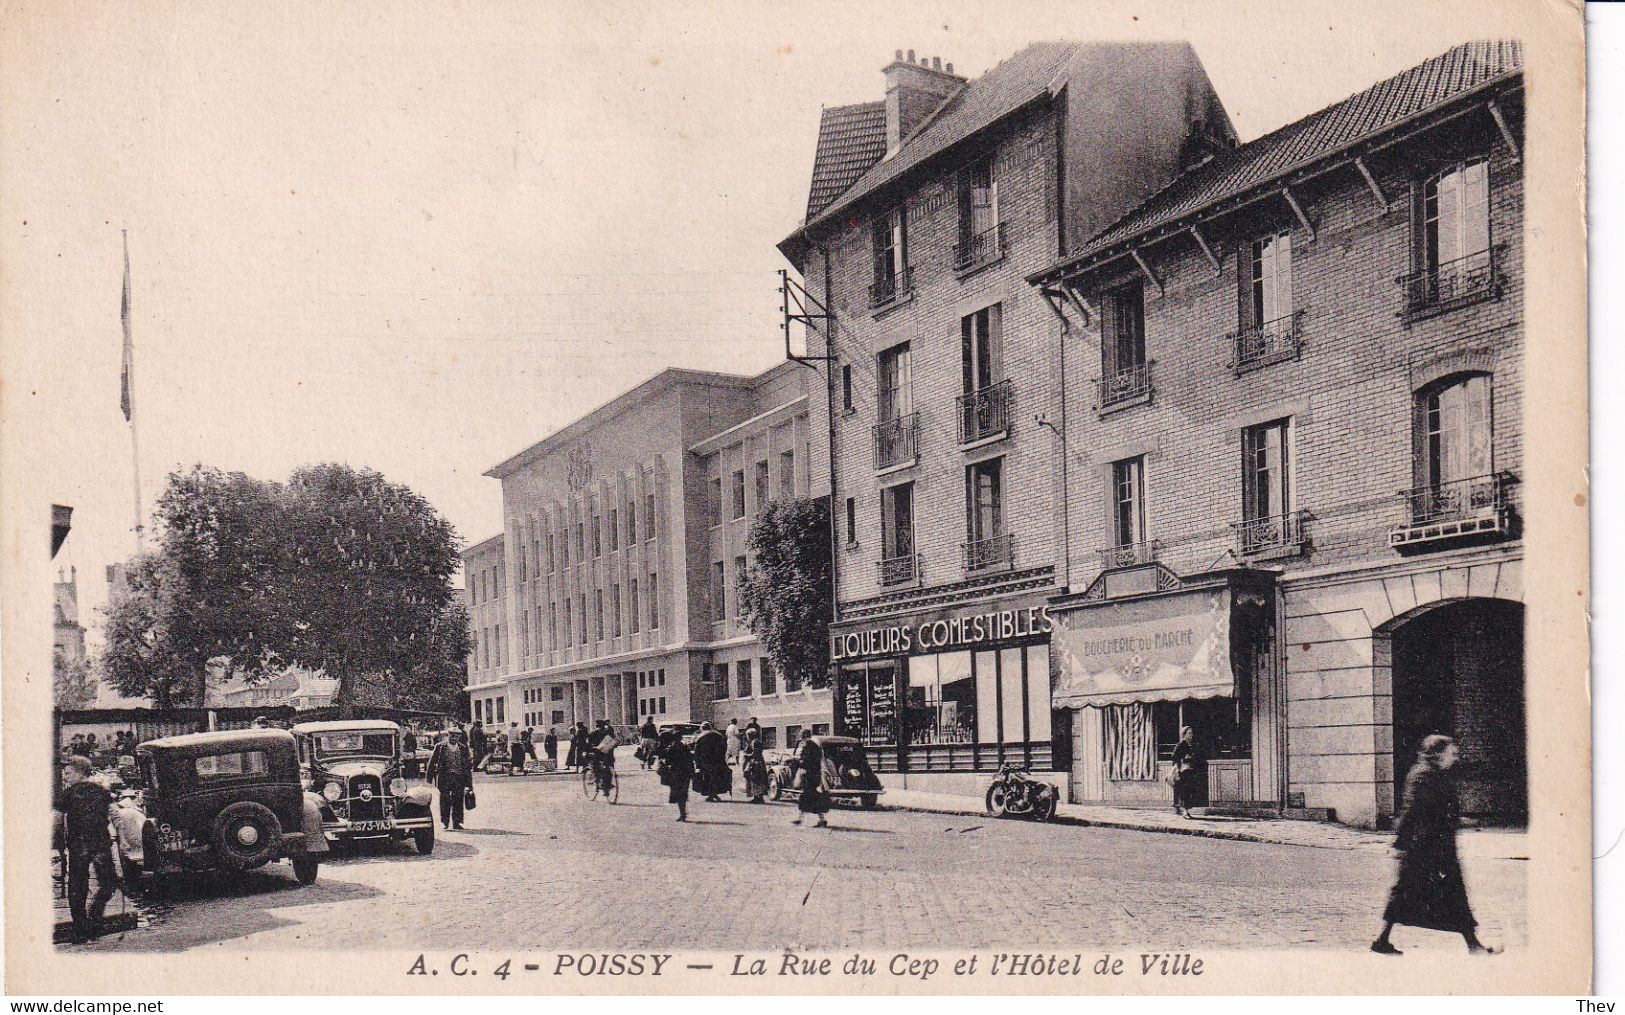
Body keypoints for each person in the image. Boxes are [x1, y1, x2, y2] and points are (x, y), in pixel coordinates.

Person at [1372, 735, 1497, 955]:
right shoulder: (1423, 776)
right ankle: (1473, 945)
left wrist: (1459, 820)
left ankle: (1383, 940)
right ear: (1438, 753)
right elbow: (1411, 810)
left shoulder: (1436, 774)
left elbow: (1440, 809)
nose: (1455, 757)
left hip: (1436, 846)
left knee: (1414, 893)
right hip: (1425, 847)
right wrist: (1402, 842)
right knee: (1435, 894)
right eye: (1452, 753)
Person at [54, 756, 116, 941]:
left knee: (77, 887)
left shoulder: (68, 794)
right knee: (109, 883)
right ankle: (95, 919)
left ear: (80, 772)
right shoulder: (103, 792)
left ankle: (81, 930)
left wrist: (57, 844)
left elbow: (56, 820)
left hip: (78, 845)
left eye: (68, 773)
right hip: (101, 844)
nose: (66, 777)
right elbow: (115, 815)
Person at [425, 729, 474, 830]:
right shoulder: (440, 747)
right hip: (445, 778)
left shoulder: (463, 748)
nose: (454, 738)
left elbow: (467, 766)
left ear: (459, 737)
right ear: (448, 736)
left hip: (459, 778)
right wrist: (429, 778)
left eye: (456, 736)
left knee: (458, 800)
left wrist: (468, 783)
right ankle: (445, 822)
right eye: (452, 736)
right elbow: (432, 762)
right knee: (445, 800)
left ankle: (457, 822)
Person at [791, 729, 829, 827]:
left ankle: (801, 819)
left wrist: (798, 761)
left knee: (806, 797)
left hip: (809, 775)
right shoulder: (816, 745)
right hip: (815, 775)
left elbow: (805, 760)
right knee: (812, 797)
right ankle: (820, 820)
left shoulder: (807, 745)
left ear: (803, 736)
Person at [656, 730, 694, 822]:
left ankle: (682, 813)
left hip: (676, 773)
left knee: (678, 793)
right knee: (684, 793)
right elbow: (690, 760)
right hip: (686, 773)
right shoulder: (685, 747)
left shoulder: (671, 748)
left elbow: (668, 761)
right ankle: (683, 812)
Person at [1170, 726, 1206, 818]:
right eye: (1189, 733)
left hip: (1190, 771)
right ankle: (1185, 811)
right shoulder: (1181, 744)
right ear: (1184, 734)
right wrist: (1182, 760)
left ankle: (1181, 808)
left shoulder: (1191, 744)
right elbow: (1174, 757)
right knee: (1184, 791)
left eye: (1191, 733)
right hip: (1182, 771)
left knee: (1189, 790)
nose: (1191, 735)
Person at [692, 721, 729, 802]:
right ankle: (714, 793)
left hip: (705, 760)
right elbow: (724, 746)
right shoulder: (718, 735)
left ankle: (711, 794)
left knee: (707, 777)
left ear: (702, 728)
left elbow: (697, 751)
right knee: (716, 777)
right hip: (718, 760)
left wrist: (697, 762)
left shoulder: (700, 736)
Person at [587, 720, 617, 796]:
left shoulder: (607, 733)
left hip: (606, 754)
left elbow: (614, 741)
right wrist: (593, 747)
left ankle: (606, 787)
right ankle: (597, 779)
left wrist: (614, 744)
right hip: (596, 754)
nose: (600, 729)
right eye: (599, 727)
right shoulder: (593, 734)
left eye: (601, 727)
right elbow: (588, 744)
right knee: (597, 767)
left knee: (608, 769)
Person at [741, 727, 770, 804]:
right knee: (755, 780)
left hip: (755, 763)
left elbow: (755, 753)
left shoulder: (755, 742)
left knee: (756, 780)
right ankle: (756, 797)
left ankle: (759, 797)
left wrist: (747, 755)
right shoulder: (753, 742)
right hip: (757, 762)